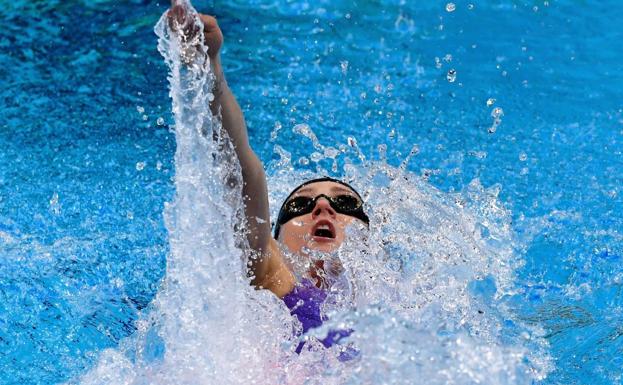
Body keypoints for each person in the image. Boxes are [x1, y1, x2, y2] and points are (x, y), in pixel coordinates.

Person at [167, 1, 369, 353]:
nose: (322, 206)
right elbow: (243, 173)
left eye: (344, 202)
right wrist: (209, 66)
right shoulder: (275, 283)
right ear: (274, 240)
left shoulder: (410, 307)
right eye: (301, 206)